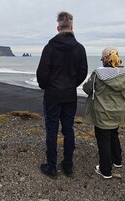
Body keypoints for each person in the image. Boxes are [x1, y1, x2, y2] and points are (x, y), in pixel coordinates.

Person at [36, 11, 88, 179]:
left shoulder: (50, 47)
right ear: (72, 27)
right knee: (68, 130)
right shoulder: (79, 48)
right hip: (69, 95)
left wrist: (46, 86)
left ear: (58, 27)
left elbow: (42, 72)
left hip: (52, 95)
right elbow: (83, 72)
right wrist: (71, 85)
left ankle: (52, 167)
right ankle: (68, 165)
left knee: (52, 131)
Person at [82, 47, 125, 179]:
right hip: (119, 110)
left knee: (103, 138)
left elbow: (87, 89)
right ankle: (117, 161)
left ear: (105, 59)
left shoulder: (98, 75)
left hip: (102, 112)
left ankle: (105, 170)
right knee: (114, 134)